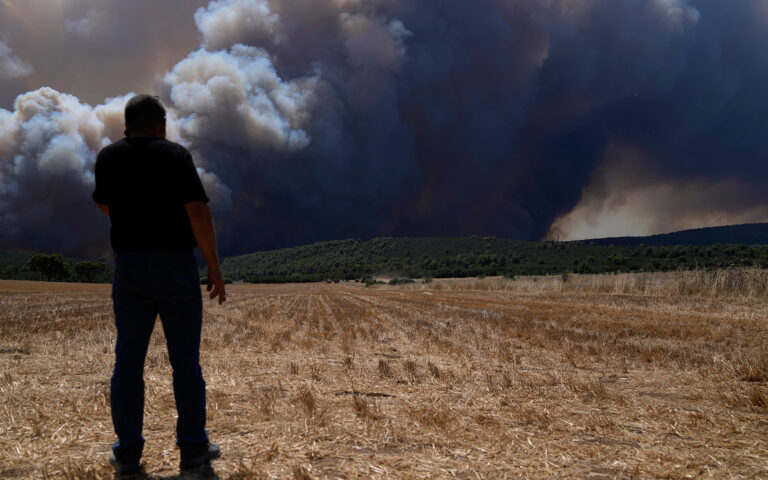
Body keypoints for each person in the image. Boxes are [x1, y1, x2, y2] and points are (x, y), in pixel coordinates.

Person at [92, 94, 226, 475]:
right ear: (162, 125)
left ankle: (128, 454)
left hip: (130, 267)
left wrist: (132, 215)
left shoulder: (108, 157)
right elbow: (197, 211)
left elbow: (104, 205)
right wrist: (213, 266)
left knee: (128, 362)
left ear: (126, 126)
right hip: (175, 267)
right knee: (185, 362)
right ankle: (193, 449)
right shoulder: (175, 156)